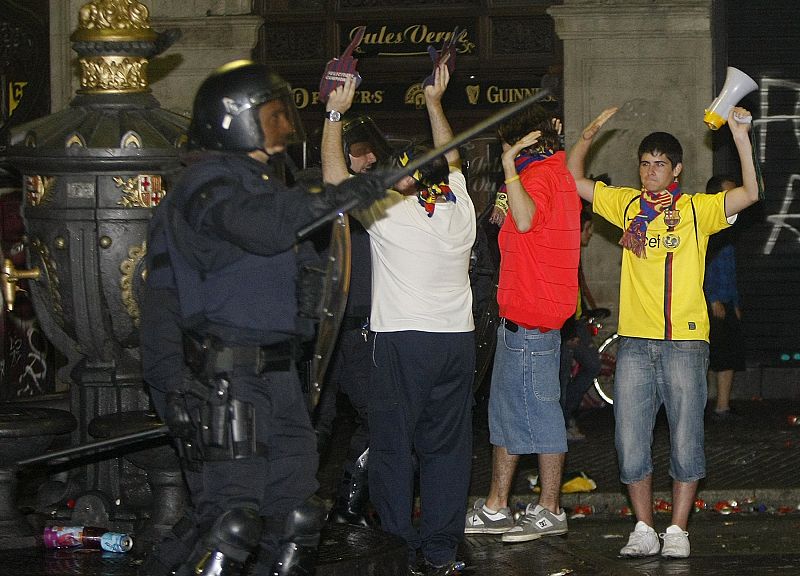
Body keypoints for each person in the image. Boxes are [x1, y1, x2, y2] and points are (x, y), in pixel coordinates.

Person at [138, 60, 385, 576]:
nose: (283, 127)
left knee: (296, 519)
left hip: (279, 378)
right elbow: (257, 234)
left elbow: (304, 282)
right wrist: (170, 382)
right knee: (232, 523)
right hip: (225, 378)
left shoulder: (267, 186)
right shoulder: (204, 187)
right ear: (234, 119)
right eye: (272, 116)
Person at [567, 105, 760, 559]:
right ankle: (642, 526)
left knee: (686, 437)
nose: (651, 171)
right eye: (645, 163)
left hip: (686, 344)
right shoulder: (626, 204)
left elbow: (751, 192)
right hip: (634, 342)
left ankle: (677, 529)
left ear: (676, 169)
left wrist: (740, 136)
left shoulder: (697, 209)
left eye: (660, 164)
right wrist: (588, 134)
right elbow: (574, 179)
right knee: (629, 439)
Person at [322, 63, 476, 576]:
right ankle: (440, 552)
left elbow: (334, 179)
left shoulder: (391, 211)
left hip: (405, 342)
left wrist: (333, 114)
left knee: (391, 445)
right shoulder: (460, 207)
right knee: (448, 452)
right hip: (457, 343)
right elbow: (452, 160)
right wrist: (435, 103)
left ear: (405, 177)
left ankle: (400, 546)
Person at [465, 106, 581, 544]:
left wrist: (509, 169)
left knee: (542, 415)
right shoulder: (550, 173)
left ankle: (550, 508)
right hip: (521, 321)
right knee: (507, 418)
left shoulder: (538, 175)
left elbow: (528, 219)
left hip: (532, 321)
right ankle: (497, 506)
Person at [315, 114, 393, 527]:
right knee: (315, 422)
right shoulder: (319, 194)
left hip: (362, 327)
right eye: (361, 151)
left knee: (377, 419)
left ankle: (348, 505)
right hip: (323, 332)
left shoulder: (373, 198)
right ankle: (299, 506)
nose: (371, 158)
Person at [703, 174, 745, 421]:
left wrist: (734, 302)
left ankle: (722, 405)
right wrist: (713, 298)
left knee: (729, 354)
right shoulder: (708, 226)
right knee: (714, 354)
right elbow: (702, 267)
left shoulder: (729, 227)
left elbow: (729, 269)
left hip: (726, 300)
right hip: (713, 302)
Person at [559, 204, 603, 441]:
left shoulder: (575, 253)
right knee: (563, 375)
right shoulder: (566, 251)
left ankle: (567, 416)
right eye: (588, 230)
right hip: (567, 326)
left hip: (575, 321)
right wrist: (566, 332)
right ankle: (563, 422)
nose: (590, 234)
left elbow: (579, 285)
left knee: (592, 365)